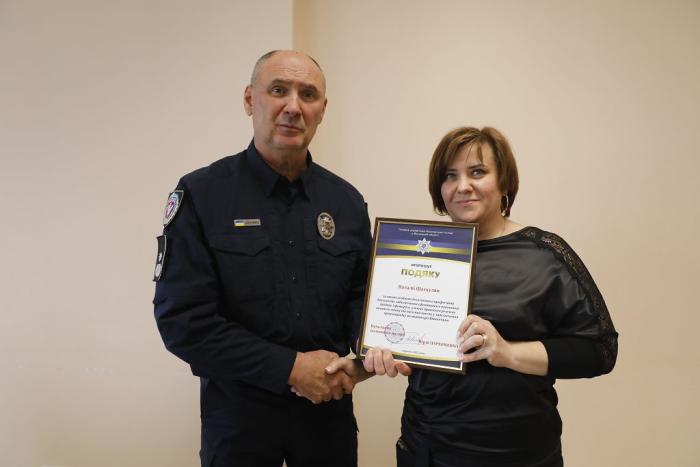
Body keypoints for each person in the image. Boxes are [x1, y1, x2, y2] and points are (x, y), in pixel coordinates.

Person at [331, 126, 618, 466]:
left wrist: (507, 352)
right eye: (450, 175)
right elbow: (408, 343)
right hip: (428, 447)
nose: (462, 186)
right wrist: (365, 365)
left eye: (478, 172)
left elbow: (600, 350)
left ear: (504, 182)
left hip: (521, 453)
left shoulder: (545, 254)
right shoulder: (415, 256)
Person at [152, 50, 371, 467]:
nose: (293, 106)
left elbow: (362, 301)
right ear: (250, 100)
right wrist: (291, 368)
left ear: (322, 110)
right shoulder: (202, 195)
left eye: (308, 95)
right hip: (239, 426)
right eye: (278, 90)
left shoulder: (345, 202)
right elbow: (184, 323)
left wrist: (369, 355)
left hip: (328, 424)